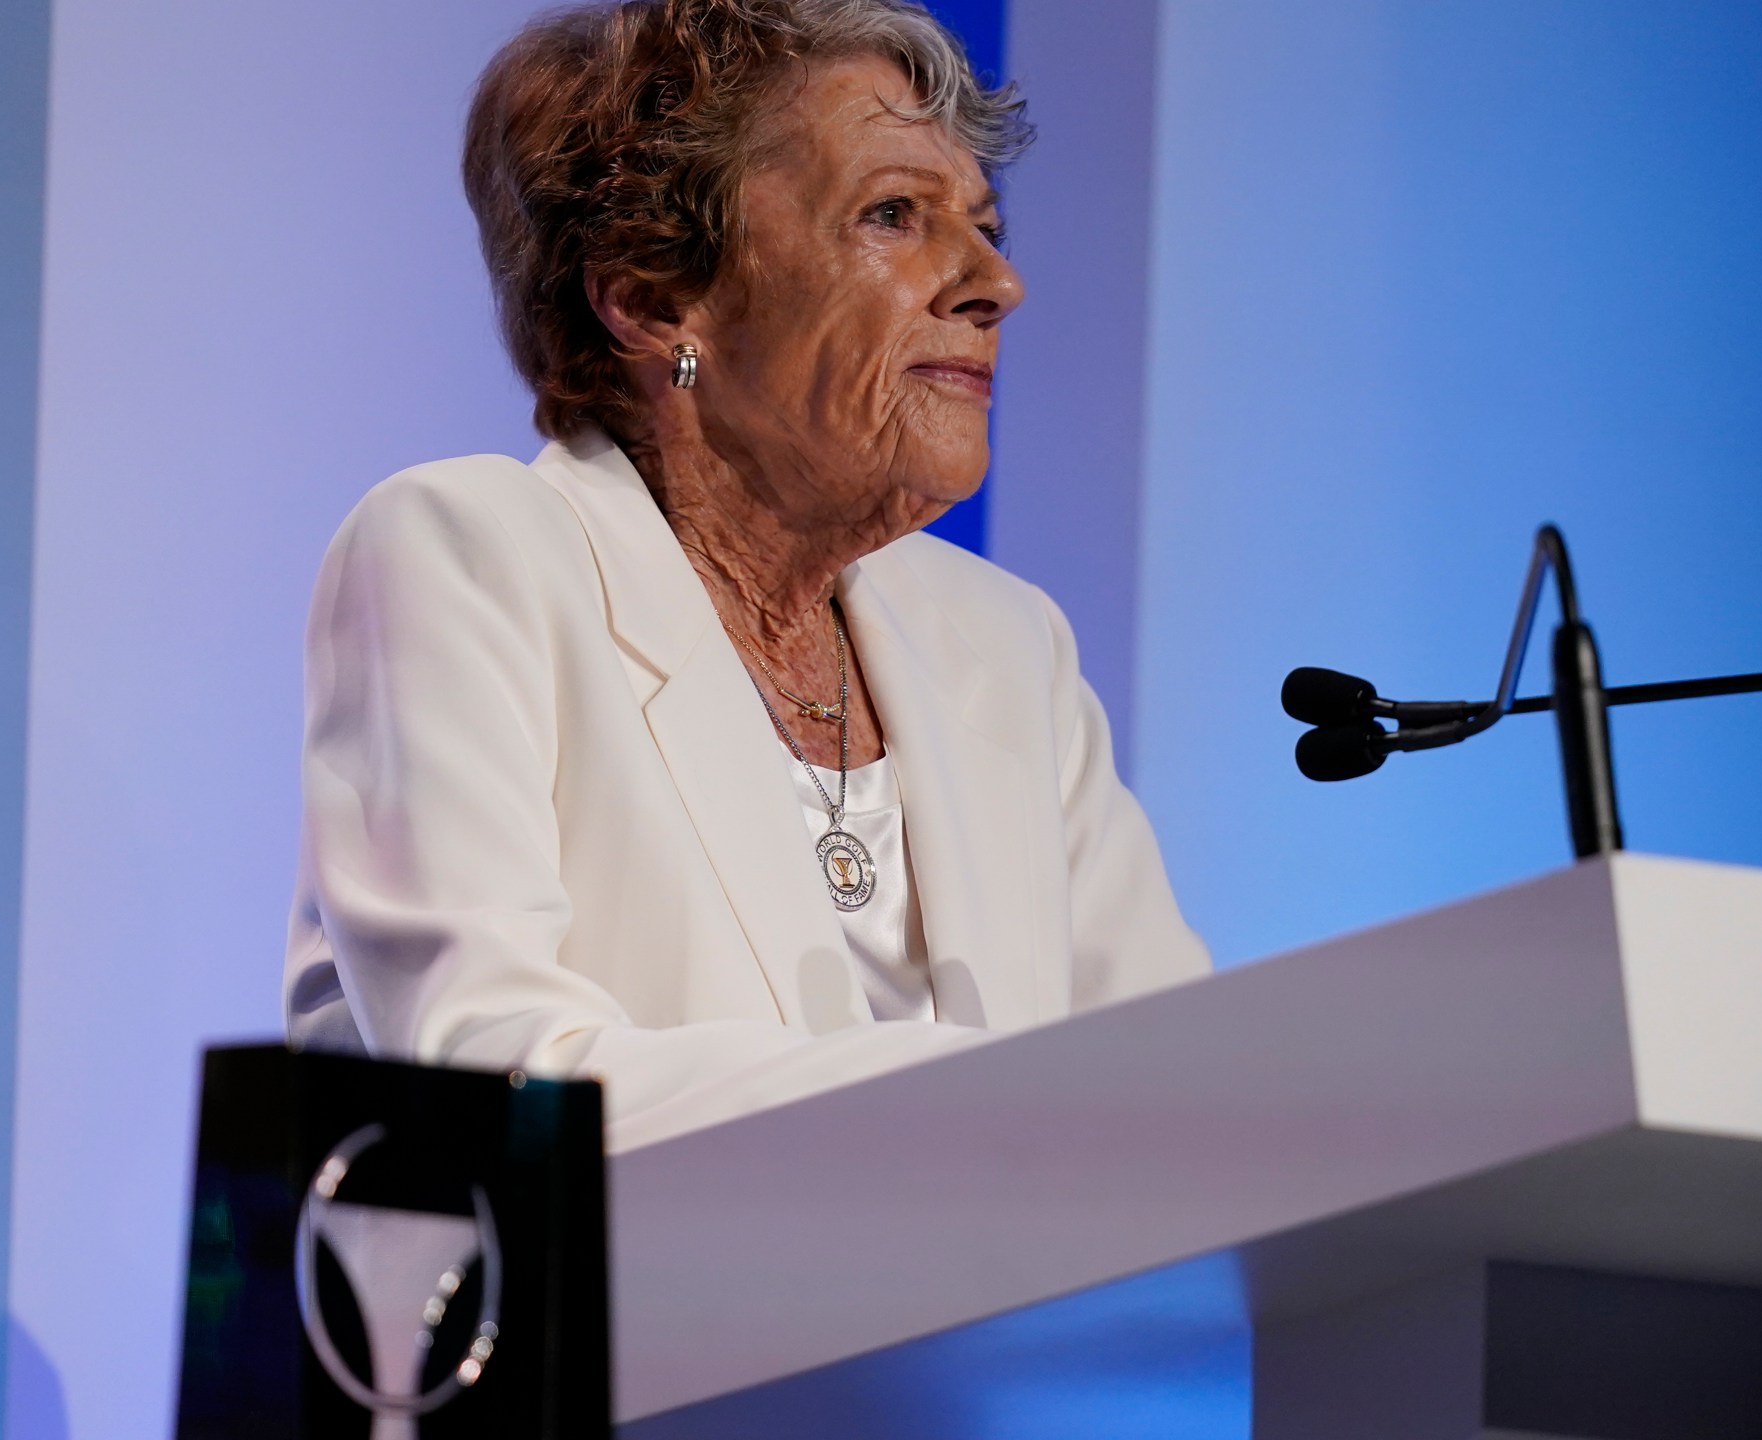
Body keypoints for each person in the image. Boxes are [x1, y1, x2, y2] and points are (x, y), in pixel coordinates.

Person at [286, 0, 1208, 1148]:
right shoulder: (471, 558)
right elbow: (500, 1071)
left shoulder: (1004, 641)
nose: (991, 284)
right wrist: (982, 1098)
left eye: (983, 222)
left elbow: (1175, 1094)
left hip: (999, 1326)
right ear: (650, 296)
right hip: (615, 1322)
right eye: (893, 215)